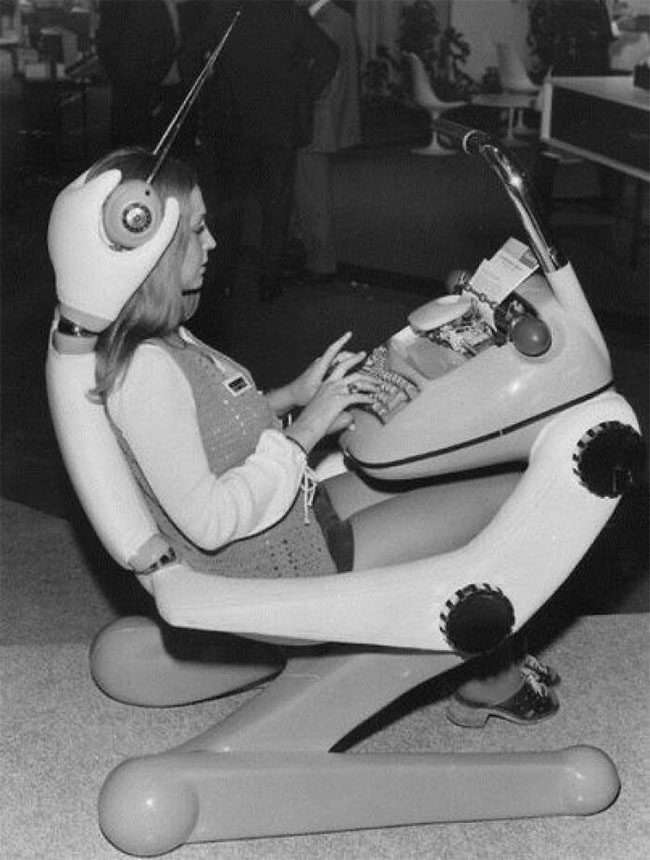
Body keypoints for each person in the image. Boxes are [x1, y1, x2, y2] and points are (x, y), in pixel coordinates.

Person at [47, 146, 560, 727]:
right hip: (279, 571)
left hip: (289, 527)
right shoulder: (146, 373)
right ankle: (486, 682)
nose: (212, 242)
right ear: (152, 256)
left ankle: (483, 662)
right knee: (510, 498)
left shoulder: (153, 341)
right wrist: (309, 428)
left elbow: (204, 432)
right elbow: (211, 521)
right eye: (196, 230)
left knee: (442, 473)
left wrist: (292, 397)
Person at [180, 0, 340, 309]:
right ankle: (269, 281)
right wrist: (302, 93)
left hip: (231, 125)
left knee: (228, 205)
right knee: (276, 206)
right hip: (278, 127)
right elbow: (328, 54)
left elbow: (188, 53)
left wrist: (204, 90)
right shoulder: (288, 13)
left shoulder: (226, 11)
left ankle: (222, 280)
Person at [291, 0, 362, 287]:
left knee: (312, 196)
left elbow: (318, 73)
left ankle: (321, 263)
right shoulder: (339, 17)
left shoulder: (325, 22)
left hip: (317, 120)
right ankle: (312, 254)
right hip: (325, 118)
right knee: (311, 192)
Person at [96, 0, 201, 153]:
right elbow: (119, 50)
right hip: (143, 95)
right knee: (137, 157)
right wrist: (151, 94)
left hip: (162, 89)